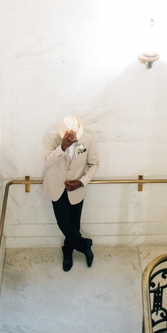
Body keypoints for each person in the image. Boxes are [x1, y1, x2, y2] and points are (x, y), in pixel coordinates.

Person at [43, 115, 100, 271]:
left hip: (76, 189)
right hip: (56, 187)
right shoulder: (52, 137)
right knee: (64, 224)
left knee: (74, 224)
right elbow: (47, 161)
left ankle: (68, 250)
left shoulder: (87, 140)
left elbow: (94, 164)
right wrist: (62, 147)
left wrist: (81, 182)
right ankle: (84, 246)